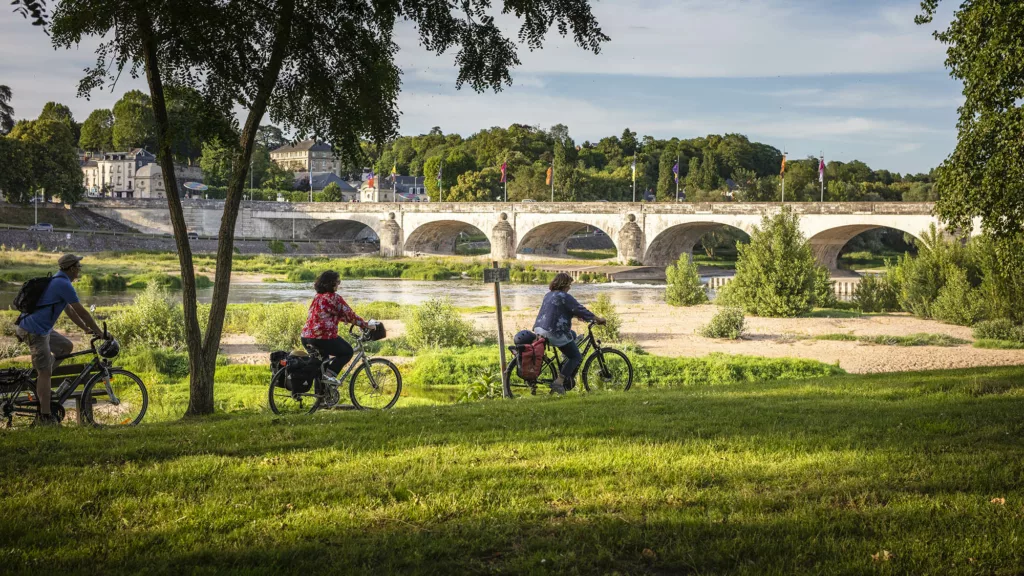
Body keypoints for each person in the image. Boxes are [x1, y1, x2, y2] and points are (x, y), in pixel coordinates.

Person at [14, 254, 103, 426]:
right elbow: (83, 311)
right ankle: (45, 417)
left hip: (42, 329)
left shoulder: (58, 281)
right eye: (78, 266)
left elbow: (69, 310)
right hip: (34, 330)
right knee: (45, 372)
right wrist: (100, 332)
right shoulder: (63, 284)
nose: (80, 269)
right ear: (71, 269)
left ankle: (42, 377)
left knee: (65, 347)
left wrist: (85, 328)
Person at [533, 272, 606, 395]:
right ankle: (559, 382)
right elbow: (579, 308)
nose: (570, 287)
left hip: (539, 330)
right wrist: (597, 319)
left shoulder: (548, 295)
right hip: (553, 332)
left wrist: (576, 315)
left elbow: (558, 310)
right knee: (576, 356)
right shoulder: (565, 296)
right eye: (569, 284)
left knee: (571, 334)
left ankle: (564, 357)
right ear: (564, 284)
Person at [300, 270, 369, 382]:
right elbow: (350, 314)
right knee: (347, 352)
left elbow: (327, 314)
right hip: (322, 338)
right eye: (338, 282)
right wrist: (365, 325)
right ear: (331, 283)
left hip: (306, 337)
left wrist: (344, 319)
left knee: (322, 366)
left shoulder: (318, 297)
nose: (339, 284)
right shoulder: (334, 298)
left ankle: (321, 397)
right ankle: (330, 376)